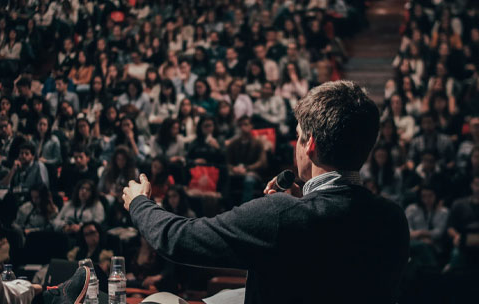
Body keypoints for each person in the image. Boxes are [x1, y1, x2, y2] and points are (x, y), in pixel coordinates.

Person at [123, 81, 410, 304]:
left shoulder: (280, 216)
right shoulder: (393, 218)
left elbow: (177, 240)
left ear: (309, 144)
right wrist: (304, 205)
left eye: (298, 136)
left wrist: (139, 203)